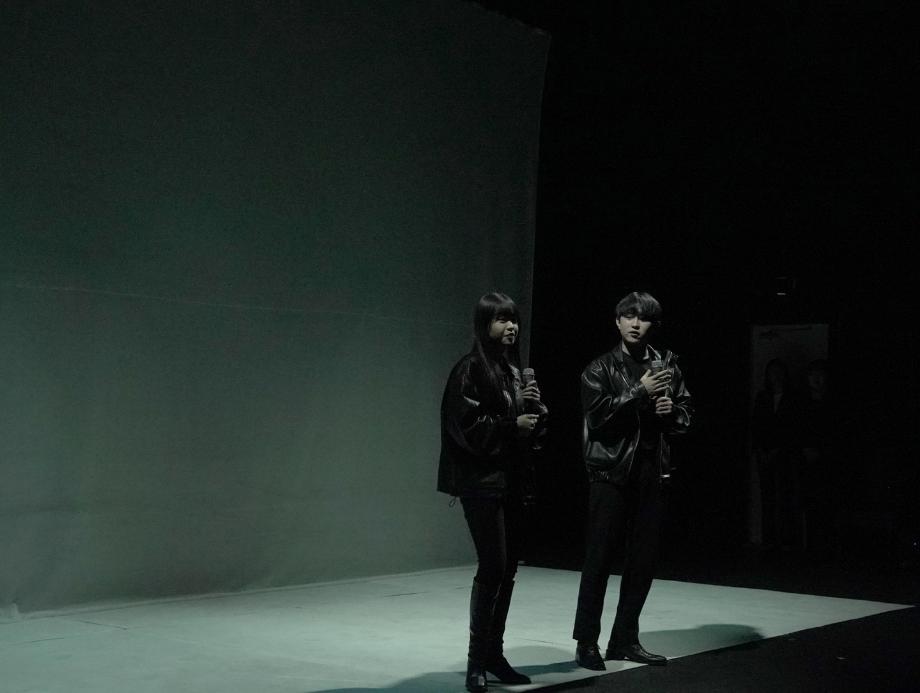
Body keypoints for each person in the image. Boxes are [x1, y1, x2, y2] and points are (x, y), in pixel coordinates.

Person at [572, 291, 692, 670]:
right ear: (617, 321)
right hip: (611, 472)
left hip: (652, 471)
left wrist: (672, 411)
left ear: (653, 324)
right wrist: (640, 391)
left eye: (643, 317)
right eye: (629, 316)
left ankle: (624, 639)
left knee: (643, 561)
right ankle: (586, 642)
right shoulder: (599, 368)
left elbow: (686, 415)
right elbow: (598, 418)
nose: (636, 323)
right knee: (599, 559)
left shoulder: (666, 365)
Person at [438, 291, 548, 693]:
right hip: (482, 484)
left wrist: (536, 414)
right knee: (493, 567)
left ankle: (493, 654)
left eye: (514, 318)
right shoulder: (470, 369)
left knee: (508, 569)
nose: (511, 326)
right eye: (502, 319)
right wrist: (510, 425)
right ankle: (476, 663)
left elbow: (529, 434)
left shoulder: (513, 372)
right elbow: (464, 427)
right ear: (485, 325)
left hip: (514, 482)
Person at [751, 358, 802, 550]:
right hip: (765, 454)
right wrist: (760, 450)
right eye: (772, 372)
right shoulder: (763, 397)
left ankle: (785, 540)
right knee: (768, 498)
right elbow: (756, 426)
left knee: (785, 496)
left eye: (779, 372)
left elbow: (792, 428)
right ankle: (769, 539)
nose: (776, 376)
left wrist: (776, 449)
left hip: (784, 454)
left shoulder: (792, 398)